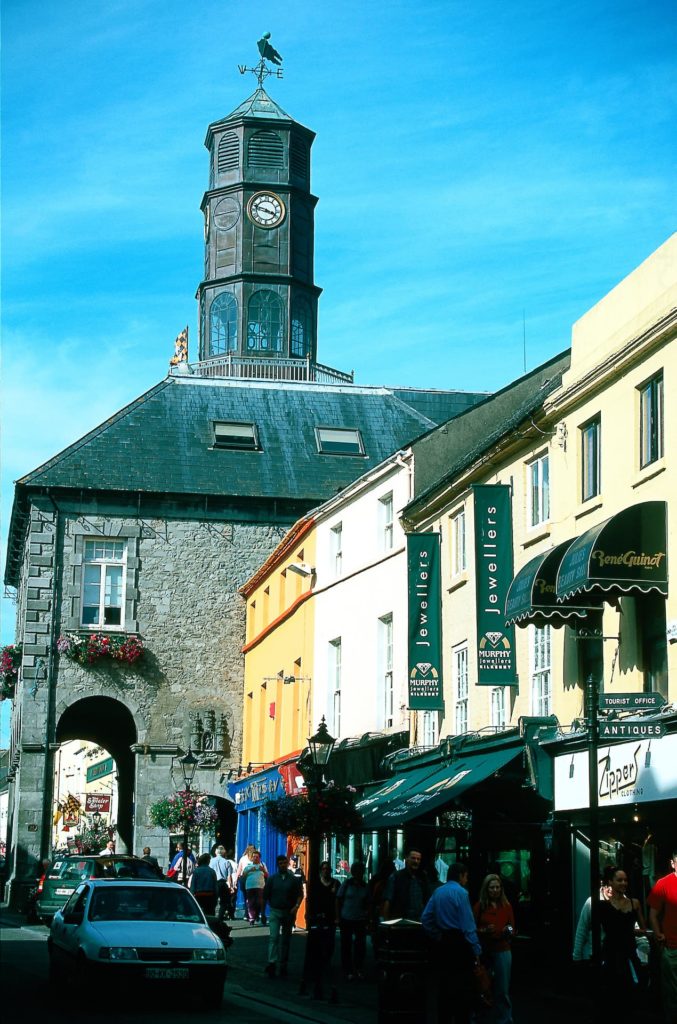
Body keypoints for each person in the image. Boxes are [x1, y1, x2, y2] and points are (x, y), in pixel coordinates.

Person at [421, 862, 482, 1024]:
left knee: (444, 986)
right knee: (462, 988)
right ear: (461, 875)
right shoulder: (462, 893)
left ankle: (444, 1018)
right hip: (460, 944)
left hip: (443, 943)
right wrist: (476, 949)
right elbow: (468, 925)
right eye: (466, 876)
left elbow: (425, 918)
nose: (467, 879)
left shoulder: (438, 892)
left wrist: (437, 935)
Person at [598, 864, 647, 1014]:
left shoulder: (634, 903)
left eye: (625, 880)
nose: (624, 883)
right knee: (613, 994)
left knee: (631, 994)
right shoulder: (603, 904)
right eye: (619, 880)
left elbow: (643, 929)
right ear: (610, 882)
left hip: (629, 953)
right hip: (611, 954)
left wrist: (632, 933)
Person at [474, 873, 516, 1024]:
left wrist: (508, 930)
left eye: (498, 887)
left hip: (502, 949)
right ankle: (479, 1019)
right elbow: (472, 928)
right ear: (487, 889)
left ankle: (504, 1020)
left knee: (502, 989)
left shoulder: (506, 905)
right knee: (482, 987)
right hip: (485, 950)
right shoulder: (480, 906)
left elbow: (512, 926)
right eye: (492, 887)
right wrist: (484, 931)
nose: (495, 890)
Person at [303, 859, 341, 997]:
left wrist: (337, 917)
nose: (326, 871)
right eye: (323, 869)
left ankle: (324, 968)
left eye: (328, 869)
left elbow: (337, 901)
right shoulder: (315, 884)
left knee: (329, 946)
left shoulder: (336, 884)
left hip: (329, 920)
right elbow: (310, 900)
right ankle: (316, 974)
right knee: (316, 948)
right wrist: (309, 914)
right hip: (317, 919)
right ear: (320, 870)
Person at [648, 849, 677, 1023]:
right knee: (672, 994)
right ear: (673, 864)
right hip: (672, 947)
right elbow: (653, 913)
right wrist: (659, 934)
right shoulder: (663, 883)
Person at [262, 854, 303, 978]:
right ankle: (272, 963)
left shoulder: (293, 879)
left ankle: (283, 964)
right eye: (280, 863)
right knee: (273, 938)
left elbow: (300, 894)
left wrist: (296, 906)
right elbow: (265, 896)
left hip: (288, 912)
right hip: (275, 911)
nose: (283, 865)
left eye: (285, 863)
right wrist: (263, 913)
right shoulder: (272, 879)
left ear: (287, 864)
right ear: (277, 865)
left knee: (286, 940)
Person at [336, 861, 370, 980]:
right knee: (346, 945)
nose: (359, 874)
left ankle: (358, 968)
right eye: (357, 871)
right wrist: (338, 917)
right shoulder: (346, 884)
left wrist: (367, 917)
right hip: (346, 918)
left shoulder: (365, 886)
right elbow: (339, 900)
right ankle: (347, 969)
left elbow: (367, 903)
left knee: (360, 945)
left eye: (361, 871)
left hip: (360, 919)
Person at [381, 848, 434, 922]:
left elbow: (429, 900)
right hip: (400, 922)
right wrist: (386, 922)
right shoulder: (396, 877)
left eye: (418, 859)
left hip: (419, 922)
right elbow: (388, 900)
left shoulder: (423, 878)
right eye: (413, 858)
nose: (416, 861)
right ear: (406, 859)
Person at [242, 849, 268, 925]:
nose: (255, 858)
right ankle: (252, 918)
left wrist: (263, 870)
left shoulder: (263, 865)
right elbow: (243, 876)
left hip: (260, 886)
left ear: (259, 858)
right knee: (250, 903)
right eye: (254, 857)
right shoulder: (248, 866)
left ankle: (257, 915)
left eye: (257, 857)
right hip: (249, 887)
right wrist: (249, 870)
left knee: (259, 903)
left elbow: (267, 875)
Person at [209, 845, 232, 922]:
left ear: (216, 852)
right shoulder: (227, 862)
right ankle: (220, 918)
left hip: (213, 883)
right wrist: (230, 886)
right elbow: (229, 876)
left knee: (212, 901)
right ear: (224, 853)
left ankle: (211, 917)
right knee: (224, 902)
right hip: (222, 883)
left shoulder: (210, 861)